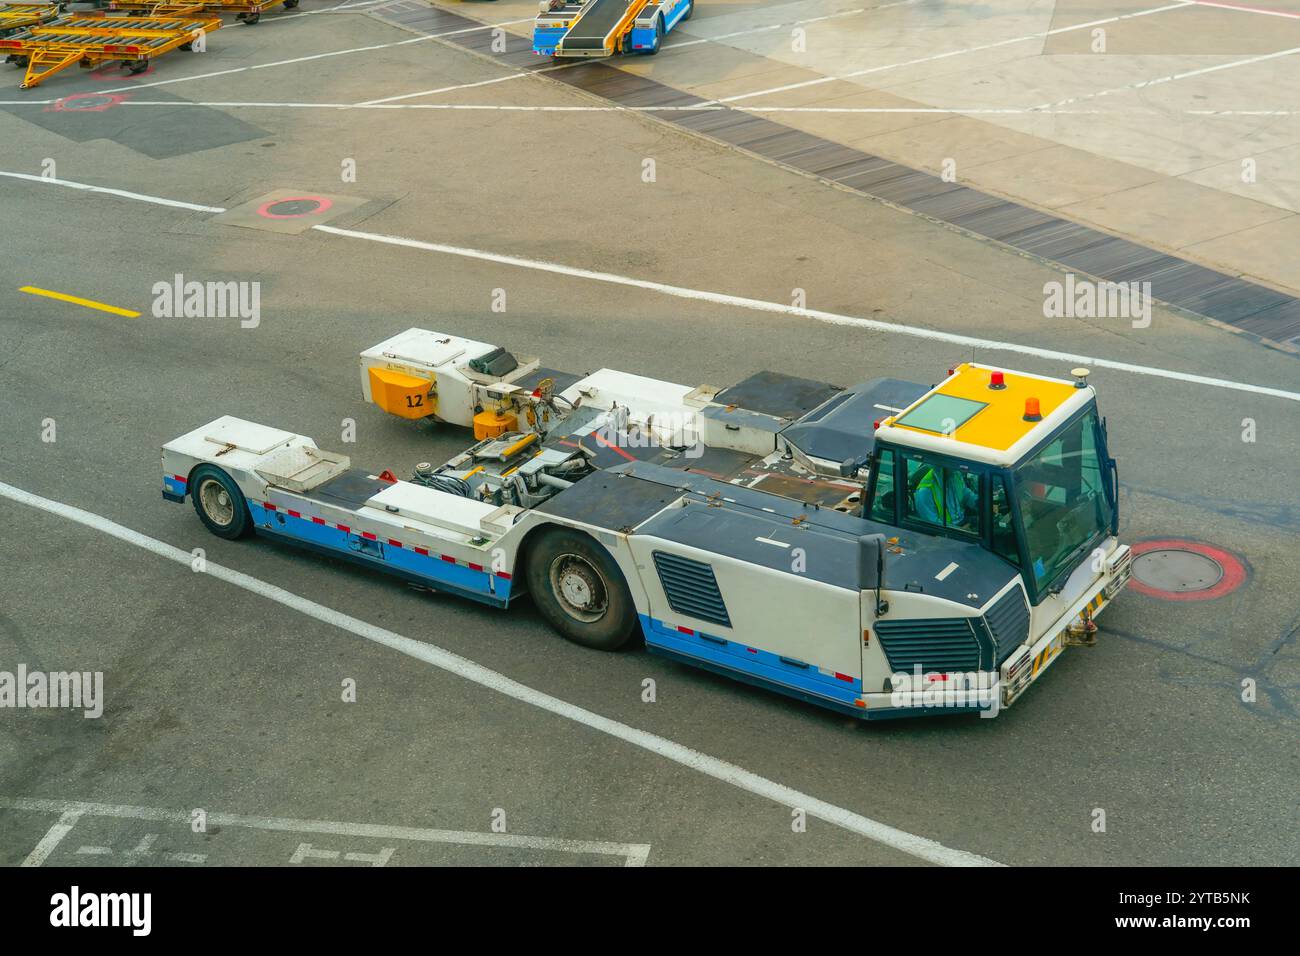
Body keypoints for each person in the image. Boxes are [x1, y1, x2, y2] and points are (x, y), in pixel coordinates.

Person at [915, 465, 978, 530]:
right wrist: (962, 530)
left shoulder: (955, 474)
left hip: (962, 519)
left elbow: (966, 494)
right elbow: (933, 525)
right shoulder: (925, 491)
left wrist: (979, 503)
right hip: (946, 530)